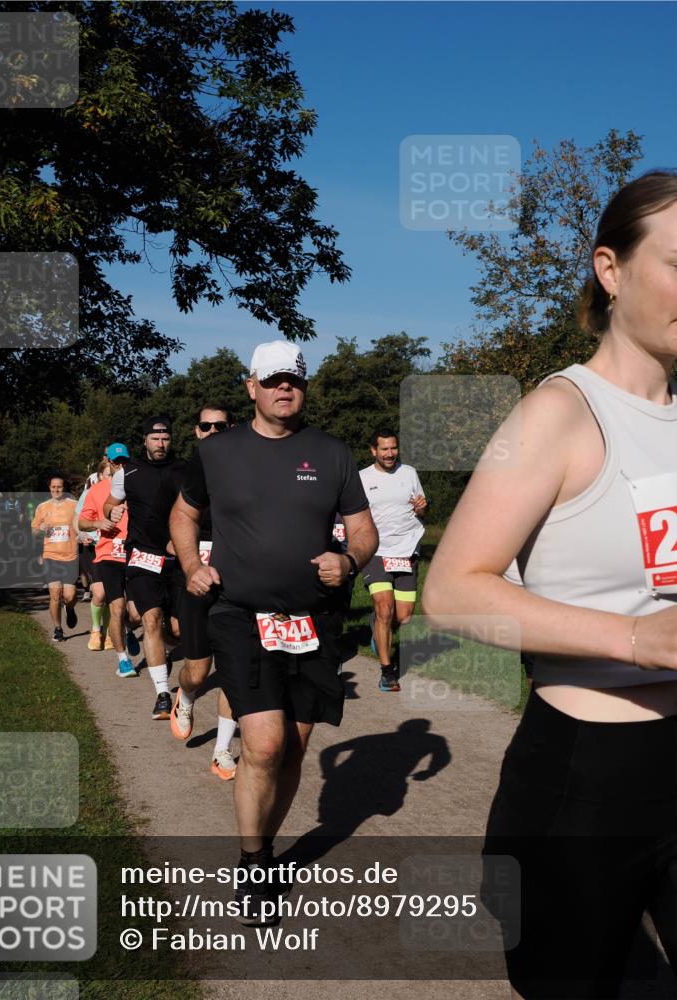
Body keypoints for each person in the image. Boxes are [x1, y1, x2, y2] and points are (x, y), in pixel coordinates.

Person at [422, 171, 677, 999]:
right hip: (588, 779)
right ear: (612, 270)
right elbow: (453, 590)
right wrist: (636, 639)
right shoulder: (557, 413)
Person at [171, 339, 378, 922]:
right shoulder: (217, 452)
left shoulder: (332, 453)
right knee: (263, 743)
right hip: (240, 614)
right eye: (273, 380)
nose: (284, 389)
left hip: (315, 621)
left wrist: (351, 561)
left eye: (294, 380)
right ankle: (252, 861)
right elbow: (184, 513)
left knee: (296, 748)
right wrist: (192, 566)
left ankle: (261, 853)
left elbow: (363, 531)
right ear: (251, 387)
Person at [169, 404, 240, 780]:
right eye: (205, 426)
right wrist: (186, 556)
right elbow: (168, 528)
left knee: (234, 670)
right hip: (195, 583)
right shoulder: (182, 474)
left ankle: (222, 749)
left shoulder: (248, 471)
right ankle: (186, 697)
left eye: (220, 426)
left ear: (232, 429)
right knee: (198, 671)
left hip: (236, 587)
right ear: (196, 432)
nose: (212, 431)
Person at [104, 417, 187, 720]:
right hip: (141, 555)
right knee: (151, 619)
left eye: (165, 439)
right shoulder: (127, 474)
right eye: (155, 439)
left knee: (176, 630)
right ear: (145, 441)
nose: (161, 444)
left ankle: (165, 649)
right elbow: (109, 504)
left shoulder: (186, 471)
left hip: (179, 558)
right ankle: (163, 695)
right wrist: (110, 511)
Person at [360, 428, 427, 692]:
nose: (390, 454)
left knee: (405, 616)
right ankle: (388, 672)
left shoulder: (409, 473)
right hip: (377, 550)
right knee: (385, 608)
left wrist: (422, 506)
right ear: (373, 450)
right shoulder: (362, 478)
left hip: (407, 549)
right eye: (384, 449)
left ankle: (377, 627)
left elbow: (421, 506)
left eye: (393, 448)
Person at [78, 444, 141, 674]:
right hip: (108, 553)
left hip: (135, 553)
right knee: (116, 606)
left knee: (135, 614)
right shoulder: (97, 490)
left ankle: (129, 629)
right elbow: (81, 522)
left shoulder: (139, 486)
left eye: (125, 461)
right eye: (117, 462)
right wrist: (97, 523)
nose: (121, 466)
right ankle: (123, 660)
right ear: (110, 463)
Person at [31, 474, 79, 641]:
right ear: (49, 488)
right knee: (55, 594)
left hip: (70, 555)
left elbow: (81, 523)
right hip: (51, 555)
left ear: (63, 488)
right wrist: (40, 527)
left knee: (69, 596)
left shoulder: (74, 505)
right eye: (53, 487)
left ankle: (70, 608)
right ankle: (58, 629)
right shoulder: (42, 507)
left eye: (59, 486)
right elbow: (34, 530)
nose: (56, 489)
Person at [76, 459, 112, 646]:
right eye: (108, 474)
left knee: (110, 594)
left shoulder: (124, 493)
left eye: (115, 474)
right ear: (99, 476)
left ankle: (107, 634)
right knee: (99, 593)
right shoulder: (90, 493)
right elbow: (78, 519)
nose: (112, 478)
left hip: (115, 548)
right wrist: (82, 535)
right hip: (94, 547)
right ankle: (96, 630)